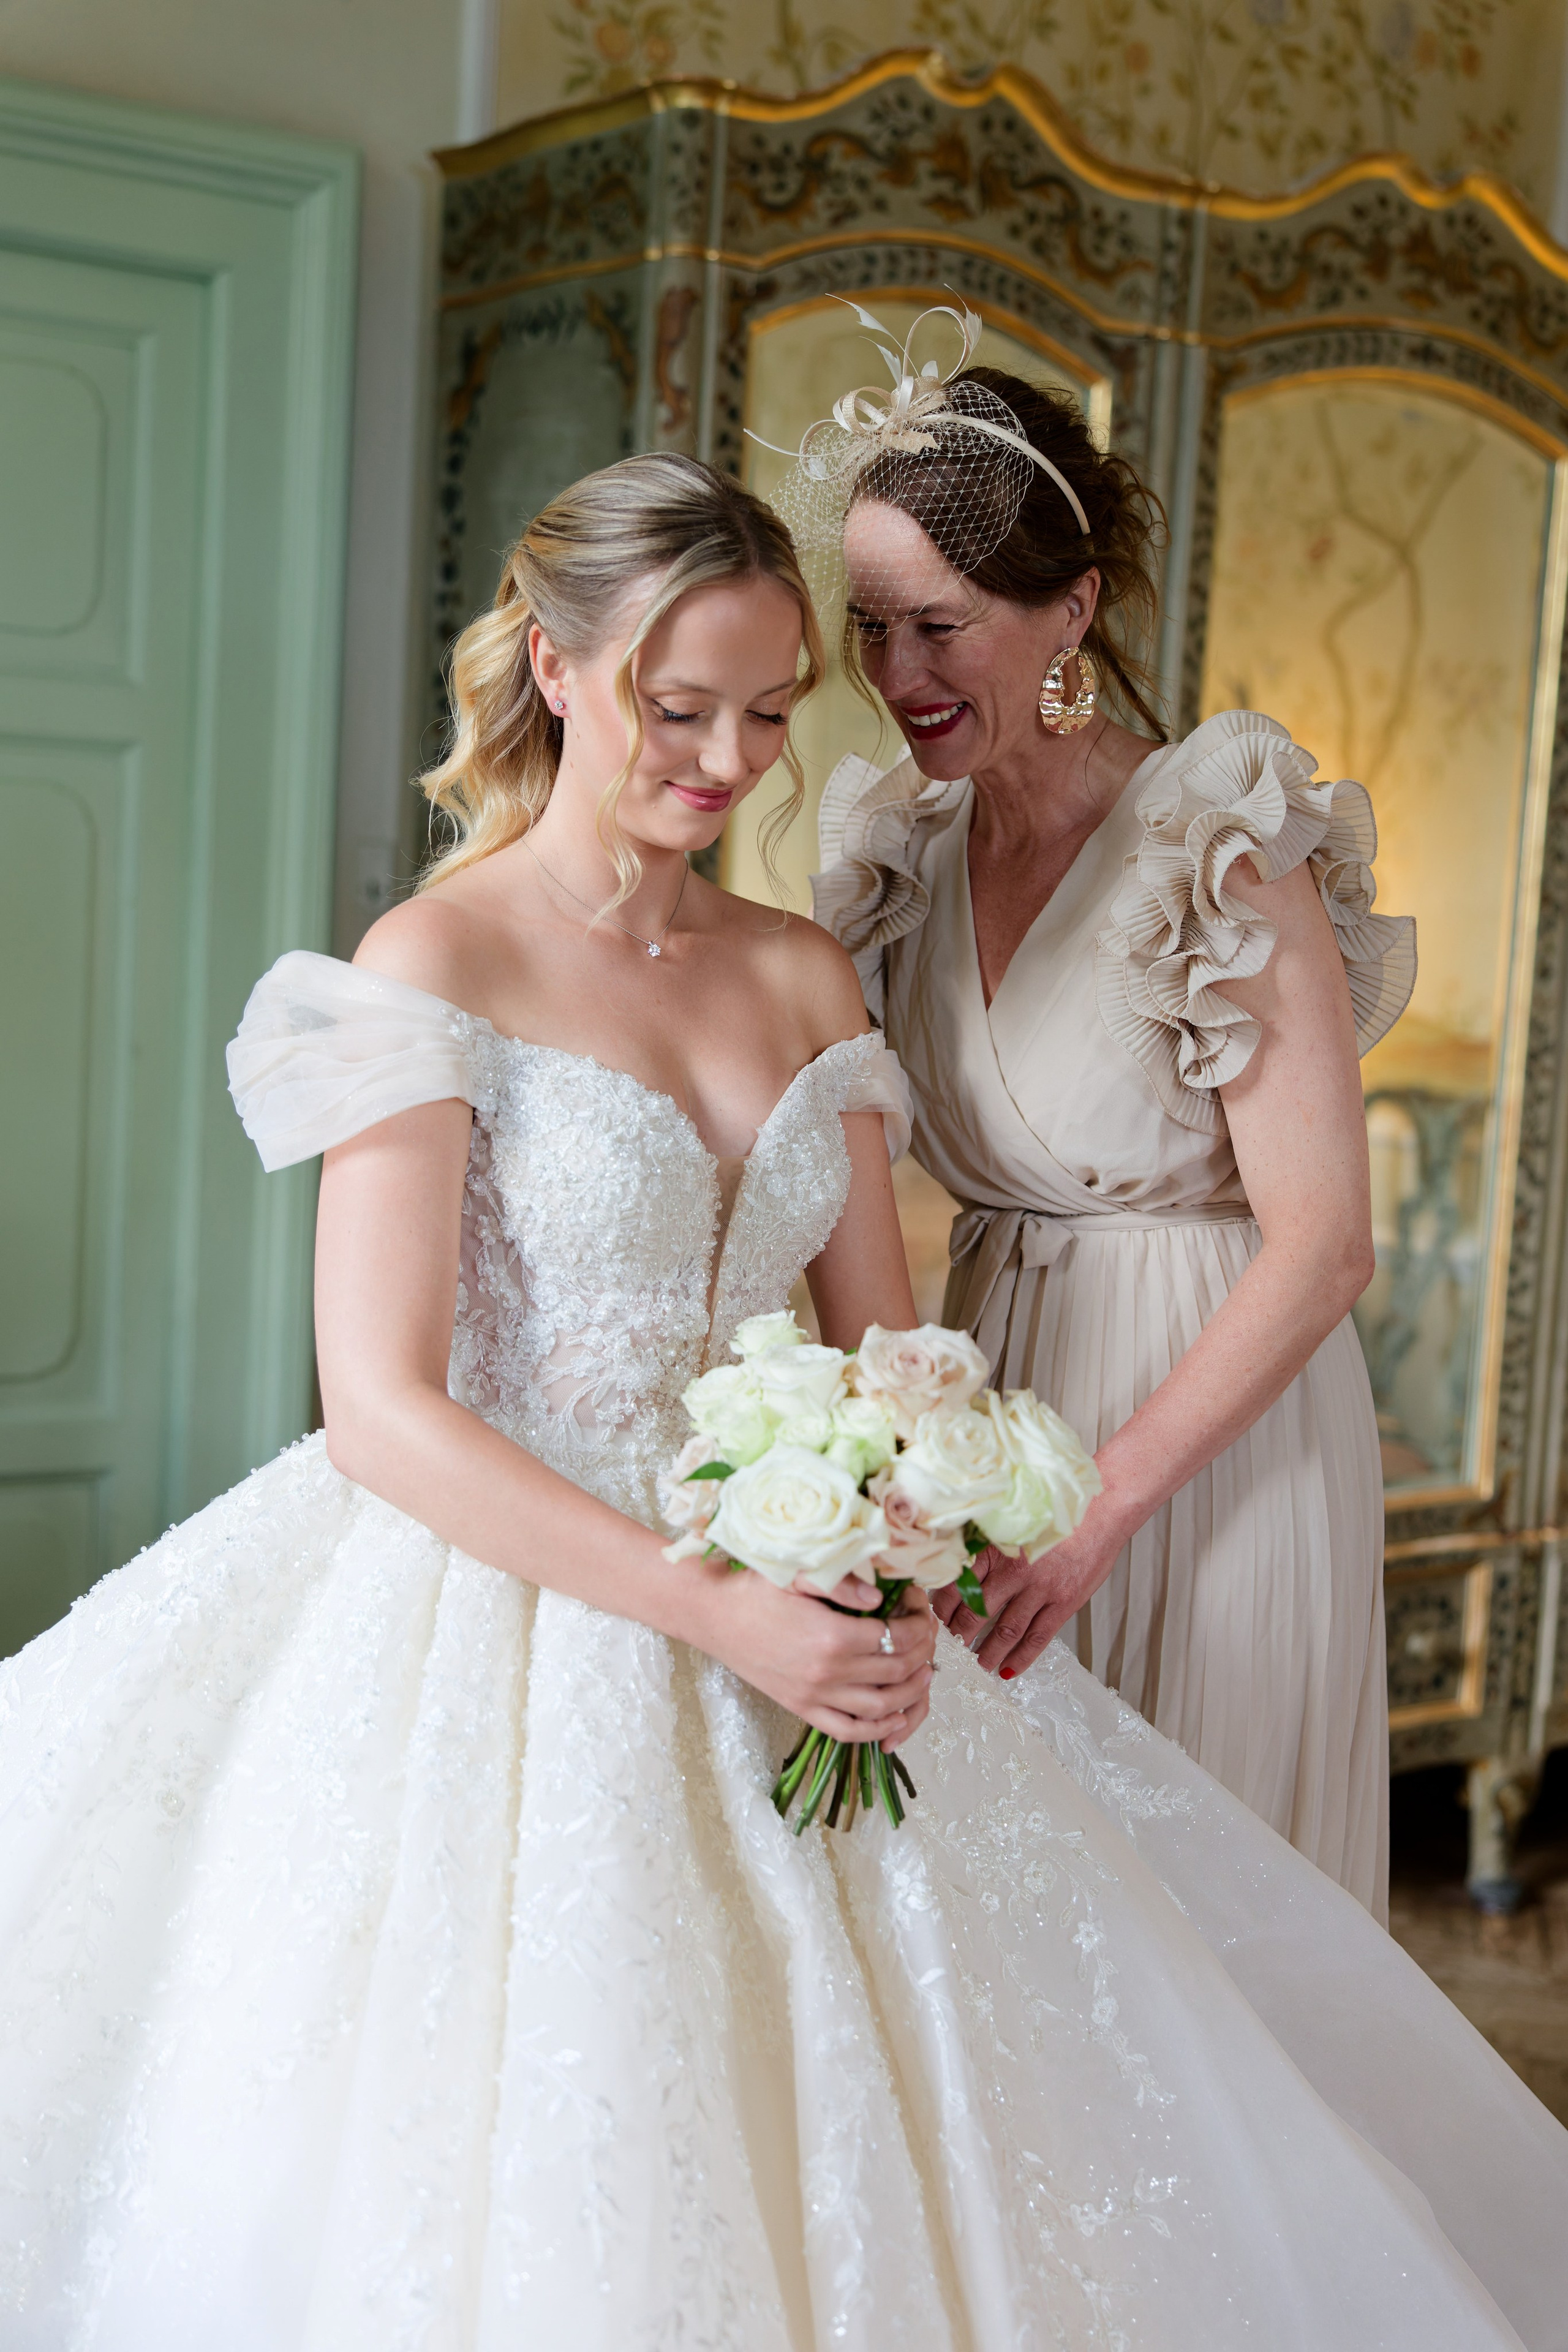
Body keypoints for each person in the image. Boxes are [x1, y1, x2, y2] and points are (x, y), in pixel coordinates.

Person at [1, 449, 1564, 2352]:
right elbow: (381, 1412)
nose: (731, 762)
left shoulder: (807, 971)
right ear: (556, 665)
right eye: (680, 709)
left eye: (766, 712)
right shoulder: (438, 960)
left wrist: (892, 1551)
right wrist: (722, 1611)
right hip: (508, 1602)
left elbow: (891, 1366)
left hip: (803, 1592)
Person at [809, 312, 1410, 1918]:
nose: (900, 677)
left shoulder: (1215, 847)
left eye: (942, 627)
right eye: (871, 628)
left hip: (1207, 1447)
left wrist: (1097, 1509)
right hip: (1002, 1399)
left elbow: (1327, 1246)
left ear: (1069, 609)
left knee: (1196, 1918)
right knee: (1008, 1928)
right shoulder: (901, 857)